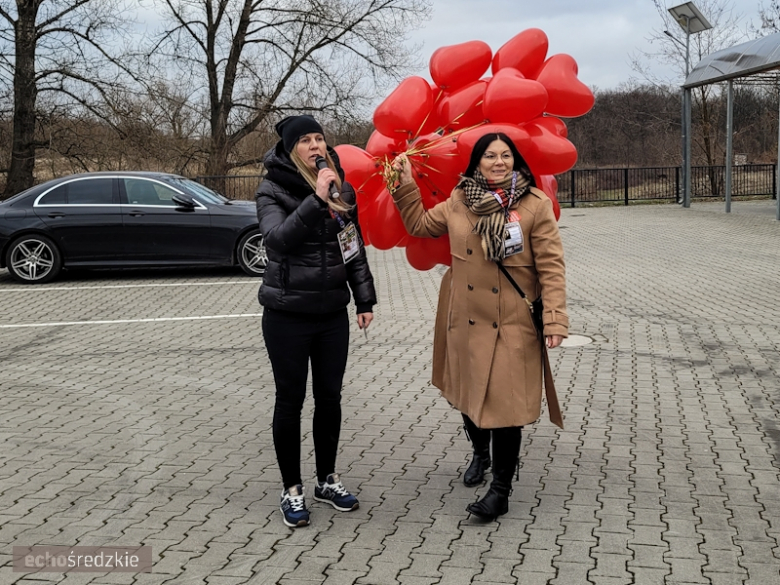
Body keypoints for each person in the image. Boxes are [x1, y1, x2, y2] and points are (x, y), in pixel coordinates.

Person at [389, 133, 568, 520]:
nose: (499, 162)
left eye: (506, 155)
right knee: (468, 396)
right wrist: (402, 182)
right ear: (476, 163)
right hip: (466, 316)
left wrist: (554, 319)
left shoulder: (535, 205)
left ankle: (500, 490)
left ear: (516, 161)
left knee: (506, 404)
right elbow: (420, 224)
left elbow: (551, 267)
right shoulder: (458, 200)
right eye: (490, 156)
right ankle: (478, 453)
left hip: (512, 320)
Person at [256, 115, 376, 528]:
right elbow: (277, 241)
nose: (315, 145)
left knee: (330, 399)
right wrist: (315, 200)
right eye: (305, 140)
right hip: (287, 315)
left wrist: (364, 299)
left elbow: (353, 247)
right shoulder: (273, 189)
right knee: (290, 401)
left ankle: (327, 480)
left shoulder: (341, 187)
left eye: (319, 138)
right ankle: (292, 489)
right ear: (292, 150)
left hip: (331, 315)